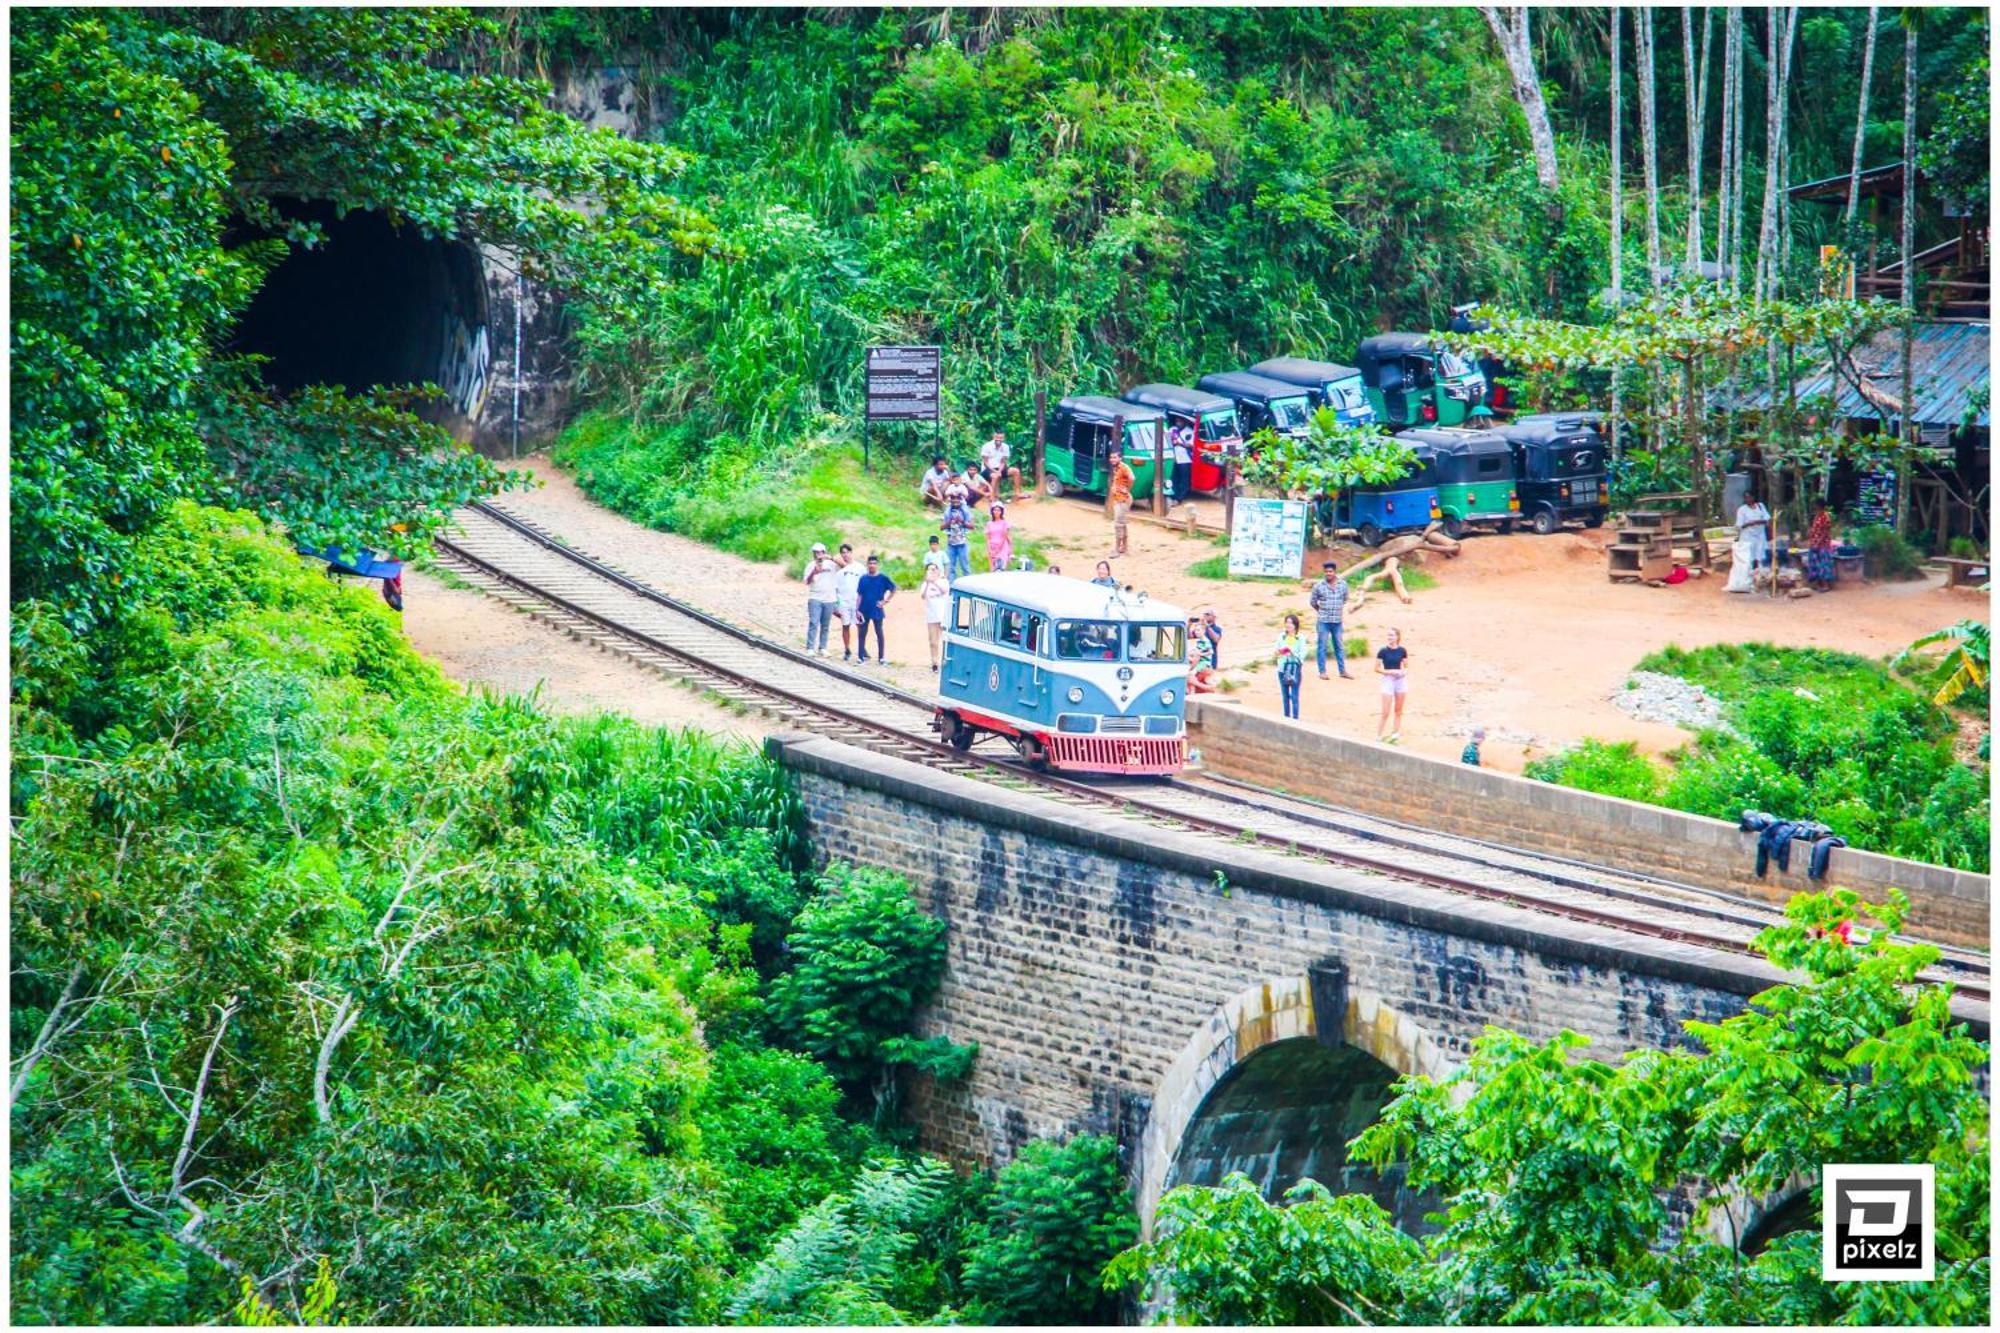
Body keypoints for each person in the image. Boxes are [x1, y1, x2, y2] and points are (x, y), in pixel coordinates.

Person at [1307, 560, 1353, 680]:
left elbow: (1345, 599)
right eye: (1326, 571)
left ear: (1334, 572)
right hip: (1323, 621)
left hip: (1337, 621)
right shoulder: (1318, 586)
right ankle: (1322, 671)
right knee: (1322, 646)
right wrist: (1321, 611)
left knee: (1339, 646)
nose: (1328, 574)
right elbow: (1313, 602)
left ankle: (1342, 671)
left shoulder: (1343, 585)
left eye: (1330, 571)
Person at [855, 555, 894, 664]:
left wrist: (885, 601)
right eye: (870, 563)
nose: (872, 565)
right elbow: (859, 595)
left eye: (874, 563)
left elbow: (893, 588)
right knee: (862, 633)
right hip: (864, 609)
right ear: (867, 565)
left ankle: (881, 657)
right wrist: (857, 609)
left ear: (877, 565)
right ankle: (860, 656)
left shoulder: (883, 578)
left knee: (879, 633)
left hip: (876, 609)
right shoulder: (863, 579)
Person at [803, 541, 840, 655]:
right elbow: (807, 582)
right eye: (815, 552)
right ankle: (810, 647)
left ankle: (822, 647)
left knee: (825, 625)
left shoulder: (831, 564)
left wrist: (831, 558)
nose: (818, 555)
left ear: (824, 552)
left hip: (829, 598)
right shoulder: (810, 565)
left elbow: (844, 565)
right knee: (814, 622)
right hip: (815, 597)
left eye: (820, 552)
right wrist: (814, 571)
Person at [1375, 627, 1410, 743]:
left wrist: (1403, 672)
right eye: (1388, 635)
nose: (1390, 638)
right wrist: (1390, 672)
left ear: (1397, 637)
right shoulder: (1383, 651)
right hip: (1388, 679)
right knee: (1385, 711)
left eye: (1392, 635)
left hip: (1400, 679)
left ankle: (1395, 733)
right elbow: (1377, 668)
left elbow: (1406, 665)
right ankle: (1379, 735)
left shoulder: (1402, 650)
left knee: (1398, 710)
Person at [1733, 488, 1772, 587]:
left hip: (1759, 535)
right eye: (1746, 497)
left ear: (1754, 497)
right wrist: (1749, 523)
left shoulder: (1760, 506)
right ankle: (1747, 579)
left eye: (1749, 497)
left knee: (1760, 555)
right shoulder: (1742, 509)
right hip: (1747, 536)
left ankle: (1760, 577)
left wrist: (1757, 522)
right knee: (1749, 557)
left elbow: (1767, 520)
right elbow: (1739, 526)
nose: (1748, 499)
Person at [1271, 613, 1305, 719]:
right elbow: (1275, 652)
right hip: (1282, 669)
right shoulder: (1281, 636)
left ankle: (1295, 718)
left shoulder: (1300, 638)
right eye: (1287, 622)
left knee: (1294, 696)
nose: (1288, 625)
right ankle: (1286, 718)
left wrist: (1292, 653)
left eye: (1291, 623)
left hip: (1294, 670)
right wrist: (1281, 652)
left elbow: (1302, 654)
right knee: (1285, 696)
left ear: (1295, 625)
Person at [834, 543, 864, 660]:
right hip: (844, 601)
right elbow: (836, 588)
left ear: (851, 553)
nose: (845, 555)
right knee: (845, 625)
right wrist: (836, 604)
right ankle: (847, 649)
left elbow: (864, 583)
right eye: (843, 553)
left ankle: (862, 649)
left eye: (847, 552)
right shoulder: (839, 571)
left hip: (856, 601)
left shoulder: (860, 568)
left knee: (859, 625)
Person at [920, 560, 951, 670]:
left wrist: (934, 581)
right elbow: (923, 596)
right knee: (933, 641)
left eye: (934, 569)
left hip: (943, 615)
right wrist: (928, 582)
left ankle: (945, 660)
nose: (932, 571)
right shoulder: (925, 585)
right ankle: (934, 662)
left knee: (945, 639)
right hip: (931, 616)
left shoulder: (943, 581)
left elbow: (944, 590)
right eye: (930, 569)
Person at [1105, 448, 1136, 556]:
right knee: (1122, 524)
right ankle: (1125, 548)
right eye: (1111, 457)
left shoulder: (1123, 467)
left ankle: (1117, 549)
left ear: (1120, 458)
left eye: (1114, 457)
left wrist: (1127, 489)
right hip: (1119, 499)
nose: (1112, 459)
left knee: (1118, 524)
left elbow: (1132, 478)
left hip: (1123, 499)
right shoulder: (1117, 468)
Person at [940, 491, 974, 582]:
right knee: (951, 567)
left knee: (965, 566)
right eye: (953, 499)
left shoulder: (965, 511)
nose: (955, 501)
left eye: (957, 499)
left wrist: (962, 521)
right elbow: (941, 527)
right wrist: (949, 522)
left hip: (962, 543)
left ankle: (969, 586)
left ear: (960, 500)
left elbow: (972, 526)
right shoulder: (947, 512)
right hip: (951, 543)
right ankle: (952, 587)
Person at [981, 431, 1024, 503]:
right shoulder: (986, 446)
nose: (999, 439)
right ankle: (992, 498)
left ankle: (1018, 493)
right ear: (994, 437)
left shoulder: (1005, 447)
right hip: (988, 468)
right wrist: (995, 472)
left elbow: (1003, 462)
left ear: (1003, 438)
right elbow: (985, 463)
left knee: (1016, 471)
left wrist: (999, 471)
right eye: (997, 437)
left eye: (1001, 438)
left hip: (1000, 468)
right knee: (995, 476)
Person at [1804, 505, 1837, 592]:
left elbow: (1825, 532)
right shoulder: (1817, 516)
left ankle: (1826, 585)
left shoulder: (1825, 517)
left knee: (1823, 564)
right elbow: (1814, 528)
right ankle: (1818, 583)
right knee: (1815, 563)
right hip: (1814, 542)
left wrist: (1818, 542)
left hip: (1823, 544)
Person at [1186, 616, 1219, 694]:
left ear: (1203, 631)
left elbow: (1210, 651)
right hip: (1200, 662)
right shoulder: (1199, 641)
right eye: (1196, 630)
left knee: (1191, 675)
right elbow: (1188, 636)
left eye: (1198, 630)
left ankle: (1192, 693)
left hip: (1204, 663)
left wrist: (1200, 654)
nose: (1196, 632)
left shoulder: (1205, 641)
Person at [1169, 422, 1194, 506]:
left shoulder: (1189, 431)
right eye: (1177, 420)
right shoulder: (1172, 429)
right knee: (1174, 478)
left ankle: (1180, 498)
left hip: (1185, 459)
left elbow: (1191, 445)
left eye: (1180, 420)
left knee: (1184, 480)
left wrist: (1180, 444)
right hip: (1174, 458)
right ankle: (1173, 496)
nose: (1178, 422)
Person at [985, 502, 1014, 572]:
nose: (996, 512)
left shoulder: (1005, 523)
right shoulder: (989, 524)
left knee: (1001, 568)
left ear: (1001, 512)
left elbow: (1005, 537)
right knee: (993, 569)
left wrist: (1010, 550)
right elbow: (988, 538)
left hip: (1003, 547)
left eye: (998, 510)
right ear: (992, 511)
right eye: (995, 510)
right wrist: (990, 550)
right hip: (992, 547)